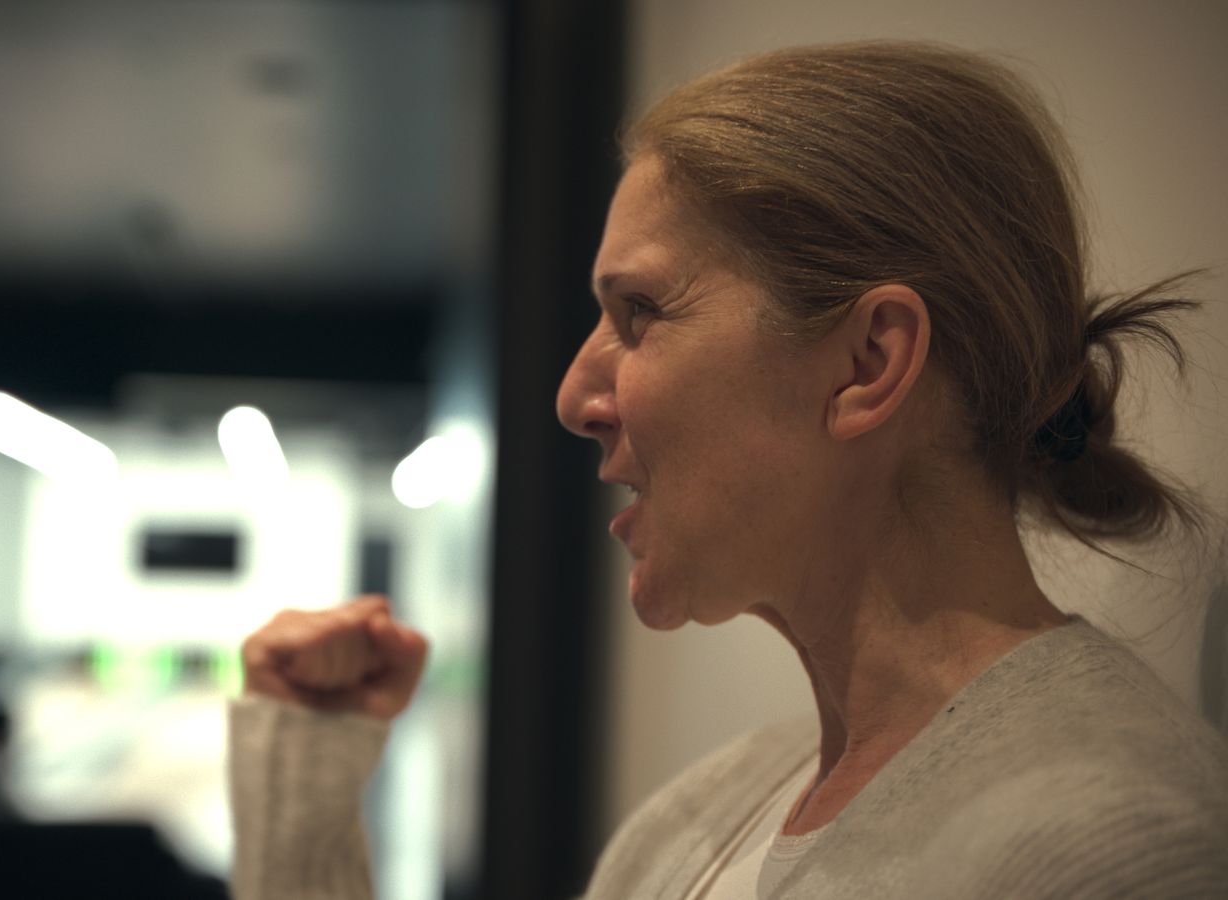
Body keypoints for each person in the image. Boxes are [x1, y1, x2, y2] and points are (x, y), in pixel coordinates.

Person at [227, 41, 1228, 899]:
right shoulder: (704, 813)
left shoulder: (1119, 850)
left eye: (639, 314)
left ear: (867, 363)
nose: (573, 397)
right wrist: (307, 783)